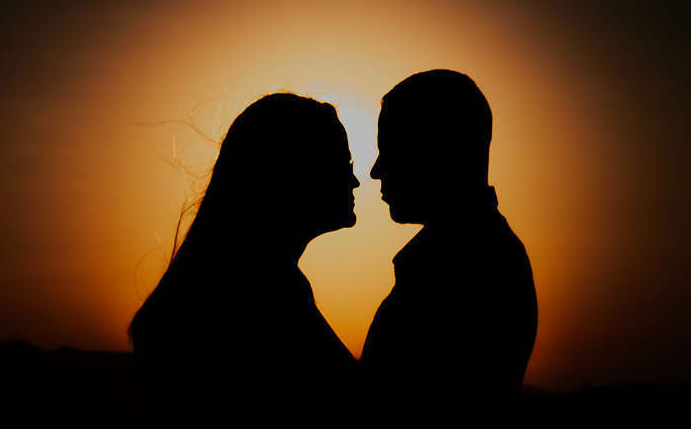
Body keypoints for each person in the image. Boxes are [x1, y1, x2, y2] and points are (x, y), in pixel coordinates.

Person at [129, 93, 361, 415]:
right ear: (289, 173)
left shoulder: (260, 285)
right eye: (341, 164)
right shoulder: (264, 295)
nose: (356, 180)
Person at [361, 70, 537, 411]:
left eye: (392, 149)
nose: (376, 170)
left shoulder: (472, 268)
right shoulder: (474, 256)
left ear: (440, 151)